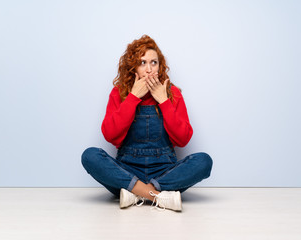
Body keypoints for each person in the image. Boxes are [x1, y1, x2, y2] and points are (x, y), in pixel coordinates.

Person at [81, 35, 213, 212]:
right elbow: (110, 135)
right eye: (142, 63)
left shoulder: (172, 93)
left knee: (204, 161)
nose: (149, 69)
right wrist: (133, 97)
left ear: (160, 66)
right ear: (133, 67)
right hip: (127, 170)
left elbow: (183, 139)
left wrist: (164, 101)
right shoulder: (119, 93)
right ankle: (157, 196)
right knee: (90, 156)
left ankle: (135, 193)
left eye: (154, 63)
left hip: (165, 171)